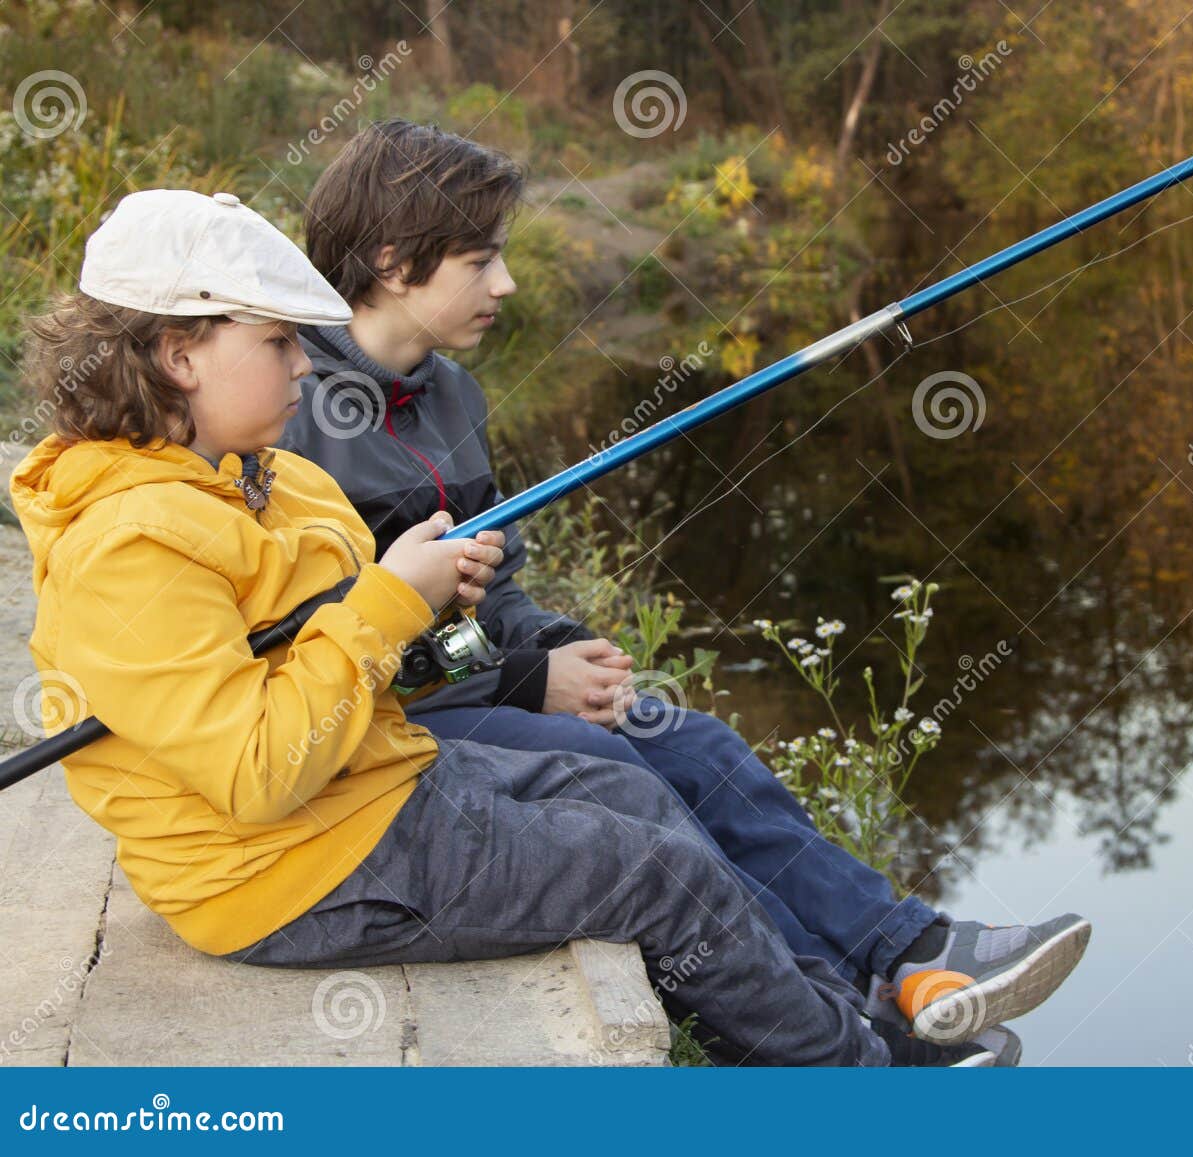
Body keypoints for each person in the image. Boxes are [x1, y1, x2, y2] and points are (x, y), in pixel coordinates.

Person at [10, 187, 1004, 1066]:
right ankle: (857, 1084)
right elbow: (259, 768)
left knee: (627, 784)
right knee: (651, 876)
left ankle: (843, 1028)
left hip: (371, 784)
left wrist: (454, 621)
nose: (305, 368)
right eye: (277, 343)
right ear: (179, 352)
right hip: (282, 869)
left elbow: (369, 673)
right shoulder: (130, 547)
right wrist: (392, 595)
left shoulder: (273, 481)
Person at [278, 119, 1092, 1046]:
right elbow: (323, 653)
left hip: (477, 684)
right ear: (391, 260)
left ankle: (908, 945)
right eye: (480, 259)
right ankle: (836, 1008)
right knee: (614, 771)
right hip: (392, 728)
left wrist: (546, 643)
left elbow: (492, 581)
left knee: (693, 743)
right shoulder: (291, 416)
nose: (507, 282)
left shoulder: (453, 392)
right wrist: (524, 680)